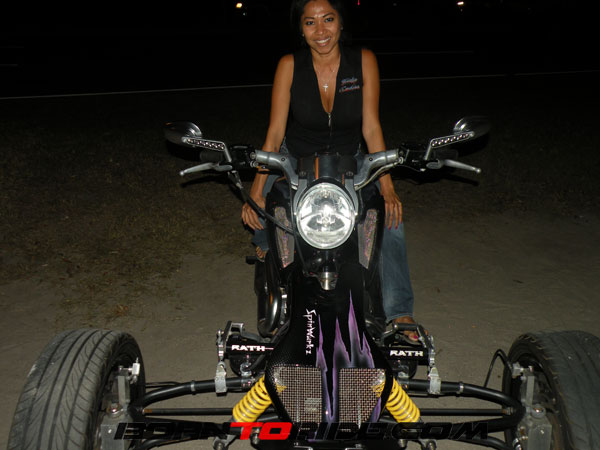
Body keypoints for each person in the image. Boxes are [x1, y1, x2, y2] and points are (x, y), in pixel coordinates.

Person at [241, 0, 420, 342]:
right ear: (301, 28)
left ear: (341, 23)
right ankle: (276, 282)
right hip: (295, 157)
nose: (320, 31)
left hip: (350, 158)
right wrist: (255, 190)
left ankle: (399, 311)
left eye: (328, 19)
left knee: (389, 218)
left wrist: (388, 188)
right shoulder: (289, 65)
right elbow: (275, 133)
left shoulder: (363, 61)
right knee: (266, 212)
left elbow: (371, 128)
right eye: (310, 22)